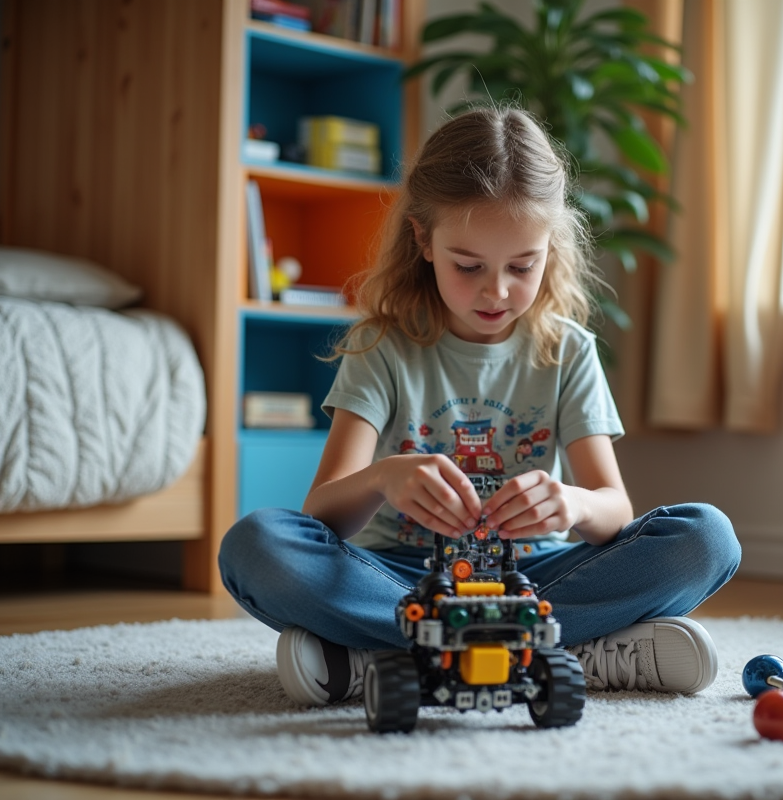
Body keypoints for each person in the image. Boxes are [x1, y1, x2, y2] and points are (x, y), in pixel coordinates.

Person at [219, 107, 741, 707]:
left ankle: (384, 655)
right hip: (403, 577)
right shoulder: (384, 346)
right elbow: (322, 514)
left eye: (523, 266)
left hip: (536, 579)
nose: (497, 291)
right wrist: (384, 478)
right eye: (469, 266)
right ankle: (563, 653)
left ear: (551, 247)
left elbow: (614, 508)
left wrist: (570, 502)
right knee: (256, 545)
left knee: (706, 537)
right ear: (423, 241)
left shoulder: (567, 350)